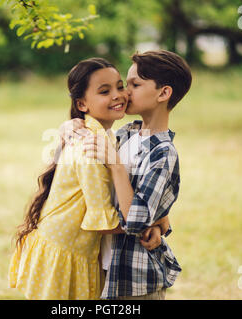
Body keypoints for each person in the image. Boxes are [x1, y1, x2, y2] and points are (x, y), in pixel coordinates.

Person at [8, 57, 164, 300]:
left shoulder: (110, 137)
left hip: (75, 251)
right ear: (82, 104)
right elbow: (103, 222)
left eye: (120, 86)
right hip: (64, 255)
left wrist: (160, 221)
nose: (118, 95)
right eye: (105, 91)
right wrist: (148, 226)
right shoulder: (91, 147)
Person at [61, 50, 192, 299]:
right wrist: (68, 125)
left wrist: (116, 164)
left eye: (135, 84)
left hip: (134, 280)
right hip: (103, 270)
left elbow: (135, 221)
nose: (124, 93)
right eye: (125, 84)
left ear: (163, 93)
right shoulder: (125, 133)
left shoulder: (163, 154)